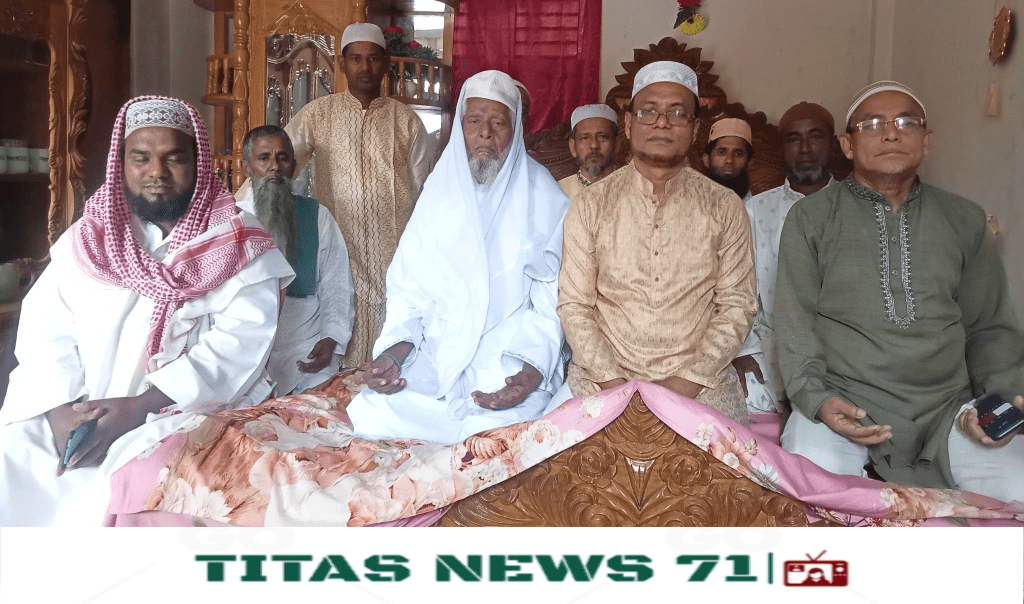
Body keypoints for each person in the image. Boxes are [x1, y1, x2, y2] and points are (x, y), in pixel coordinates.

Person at [0, 97, 293, 525]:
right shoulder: (88, 240)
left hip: (181, 411)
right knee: (15, 460)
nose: (157, 172)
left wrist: (139, 408)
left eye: (173, 158)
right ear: (122, 164)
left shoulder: (239, 243)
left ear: (198, 163)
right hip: (76, 410)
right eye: (141, 158)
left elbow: (237, 350)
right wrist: (60, 410)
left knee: (149, 485)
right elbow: (46, 330)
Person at [776, 81, 1024, 500]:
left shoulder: (964, 219)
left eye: (906, 122)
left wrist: (994, 406)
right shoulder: (811, 218)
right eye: (872, 124)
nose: (891, 133)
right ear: (847, 145)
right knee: (811, 487)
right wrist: (817, 400)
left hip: (947, 409)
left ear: (926, 140)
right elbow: (794, 323)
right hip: (845, 401)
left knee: (1016, 488)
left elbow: (989, 328)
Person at [344, 70, 570, 443]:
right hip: (439, 352)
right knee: (374, 411)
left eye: (499, 123)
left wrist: (529, 372)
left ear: (515, 130)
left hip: (507, 359)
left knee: (513, 429)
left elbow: (553, 302)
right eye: (474, 122)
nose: (485, 134)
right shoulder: (439, 191)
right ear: (460, 126)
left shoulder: (544, 194)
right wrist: (395, 354)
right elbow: (408, 291)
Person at [557, 61, 757, 424]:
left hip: (701, 384)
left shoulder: (725, 206)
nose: (662, 122)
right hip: (602, 379)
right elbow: (575, 307)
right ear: (629, 123)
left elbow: (737, 306)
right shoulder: (591, 204)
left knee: (720, 461)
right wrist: (615, 386)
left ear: (695, 129)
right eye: (648, 111)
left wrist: (682, 385)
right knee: (562, 458)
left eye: (677, 113)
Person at [240, 22, 430, 369]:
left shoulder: (407, 121)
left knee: (393, 337)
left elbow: (424, 189)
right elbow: (275, 164)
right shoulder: (318, 114)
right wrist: (238, 211)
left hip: (394, 253)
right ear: (342, 64)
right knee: (340, 332)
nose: (364, 67)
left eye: (373, 58)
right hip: (339, 245)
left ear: (385, 63)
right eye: (355, 59)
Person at [732, 102, 836, 413]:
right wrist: (744, 349)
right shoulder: (755, 210)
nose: (804, 148)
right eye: (793, 138)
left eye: (815, 136)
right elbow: (736, 287)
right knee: (736, 397)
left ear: (834, 143)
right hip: (771, 345)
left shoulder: (858, 208)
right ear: (782, 148)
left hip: (843, 349)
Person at [237, 125, 355, 394]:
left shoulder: (317, 216)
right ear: (247, 168)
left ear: (293, 166)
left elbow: (337, 286)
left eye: (282, 158)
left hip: (304, 348)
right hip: (244, 351)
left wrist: (331, 338)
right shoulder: (233, 221)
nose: (274, 167)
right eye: (264, 158)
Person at [558, 103, 618, 200]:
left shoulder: (634, 187)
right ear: (573, 147)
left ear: (616, 144)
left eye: (602, 137)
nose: (594, 145)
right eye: (585, 138)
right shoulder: (559, 192)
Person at [703, 117, 753, 200]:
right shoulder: (689, 200)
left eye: (738, 154)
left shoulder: (756, 206)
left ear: (749, 163)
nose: (729, 160)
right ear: (707, 160)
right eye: (722, 152)